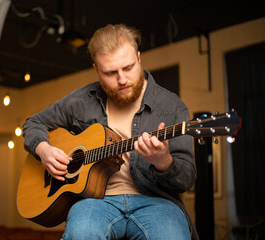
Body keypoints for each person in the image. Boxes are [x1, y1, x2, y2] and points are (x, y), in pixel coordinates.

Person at [23, 24, 198, 240]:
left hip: (156, 202)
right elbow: (33, 123)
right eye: (110, 73)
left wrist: (165, 163)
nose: (122, 79)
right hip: (96, 202)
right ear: (96, 69)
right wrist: (44, 150)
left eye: (128, 68)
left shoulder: (172, 106)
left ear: (139, 58)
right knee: (80, 234)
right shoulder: (80, 101)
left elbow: (187, 178)